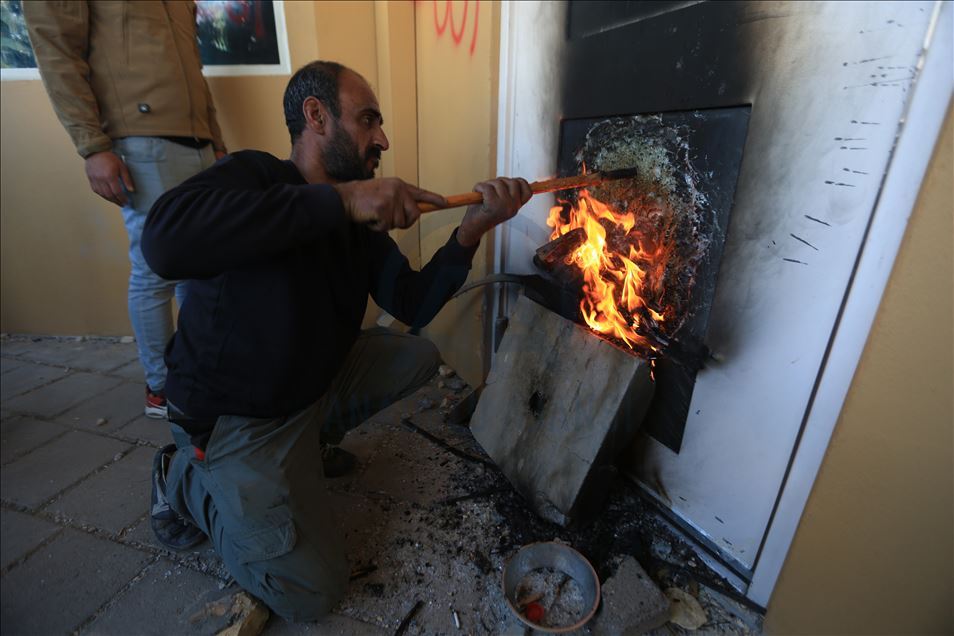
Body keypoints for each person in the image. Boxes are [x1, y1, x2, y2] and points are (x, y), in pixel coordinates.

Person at [140, 60, 531, 620]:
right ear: (316, 116)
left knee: (417, 356)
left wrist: (470, 233)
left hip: (306, 386)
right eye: (369, 120)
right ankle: (182, 479)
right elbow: (163, 241)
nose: (383, 139)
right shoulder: (256, 177)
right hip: (236, 420)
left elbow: (413, 304)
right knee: (311, 593)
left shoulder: (358, 219)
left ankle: (313, 440)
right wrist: (342, 202)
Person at [23, 1, 227, 419]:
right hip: (140, 142)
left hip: (199, 145)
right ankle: (161, 388)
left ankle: (196, 375)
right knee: (155, 270)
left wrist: (216, 140)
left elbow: (193, 70)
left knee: (200, 267)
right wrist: (93, 146)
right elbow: (56, 47)